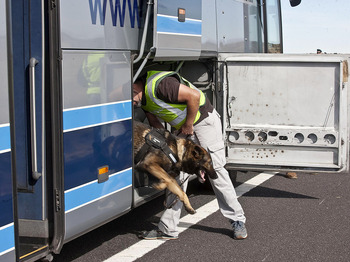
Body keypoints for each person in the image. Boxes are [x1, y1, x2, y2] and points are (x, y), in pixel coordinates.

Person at [133, 71, 247, 240]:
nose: (133, 103)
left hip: (202, 122)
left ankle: (237, 220)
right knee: (175, 174)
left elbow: (194, 96)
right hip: (183, 129)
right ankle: (168, 228)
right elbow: (154, 123)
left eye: (132, 98)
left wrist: (188, 125)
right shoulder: (143, 100)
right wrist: (164, 144)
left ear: (135, 87)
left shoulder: (161, 85)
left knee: (214, 171)